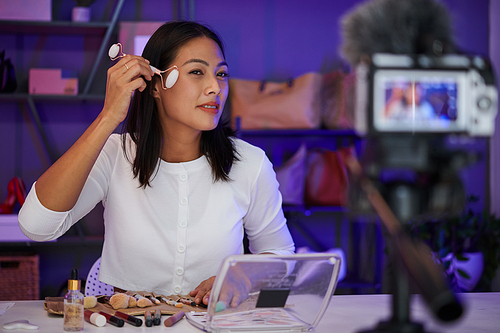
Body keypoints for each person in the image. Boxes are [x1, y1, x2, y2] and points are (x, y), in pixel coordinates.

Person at [18, 21, 295, 306]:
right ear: (155, 86)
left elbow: (282, 255)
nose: (215, 87)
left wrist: (243, 274)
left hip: (214, 323)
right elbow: (36, 227)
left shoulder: (249, 163)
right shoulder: (116, 154)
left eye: (221, 74)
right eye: (197, 72)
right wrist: (108, 117)